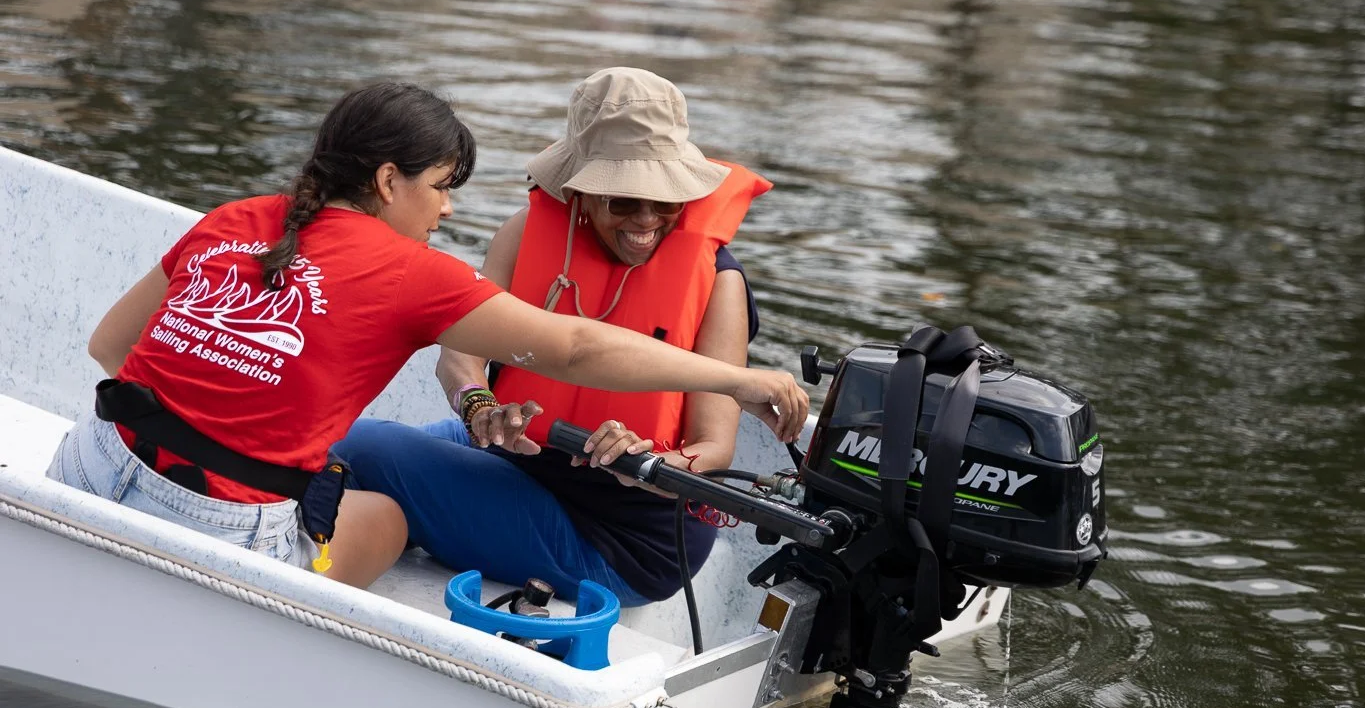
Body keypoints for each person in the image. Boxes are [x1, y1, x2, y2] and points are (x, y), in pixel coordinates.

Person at [47, 80, 807, 589]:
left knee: (358, 452)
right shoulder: (416, 272)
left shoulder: (236, 216)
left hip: (88, 462)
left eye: (663, 202)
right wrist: (745, 381)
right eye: (442, 187)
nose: (448, 210)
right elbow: (574, 349)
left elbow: (110, 347)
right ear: (388, 181)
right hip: (222, 525)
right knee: (380, 510)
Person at [335, 67, 774, 607]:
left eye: (666, 202)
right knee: (339, 445)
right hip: (520, 461)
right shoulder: (526, 234)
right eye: (622, 202)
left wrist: (645, 466)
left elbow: (714, 451)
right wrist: (478, 405)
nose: (646, 220)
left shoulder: (719, 282)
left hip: (619, 541)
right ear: (579, 191)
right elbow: (459, 356)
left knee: (364, 449)